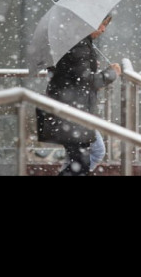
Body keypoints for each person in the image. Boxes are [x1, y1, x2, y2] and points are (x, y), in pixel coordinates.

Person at [39, 14, 121, 176]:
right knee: (84, 161)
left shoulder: (77, 43)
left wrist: (89, 65)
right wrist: (112, 73)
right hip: (71, 113)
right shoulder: (78, 47)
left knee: (80, 160)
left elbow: (72, 75)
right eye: (101, 24)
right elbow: (88, 81)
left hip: (69, 110)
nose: (103, 30)